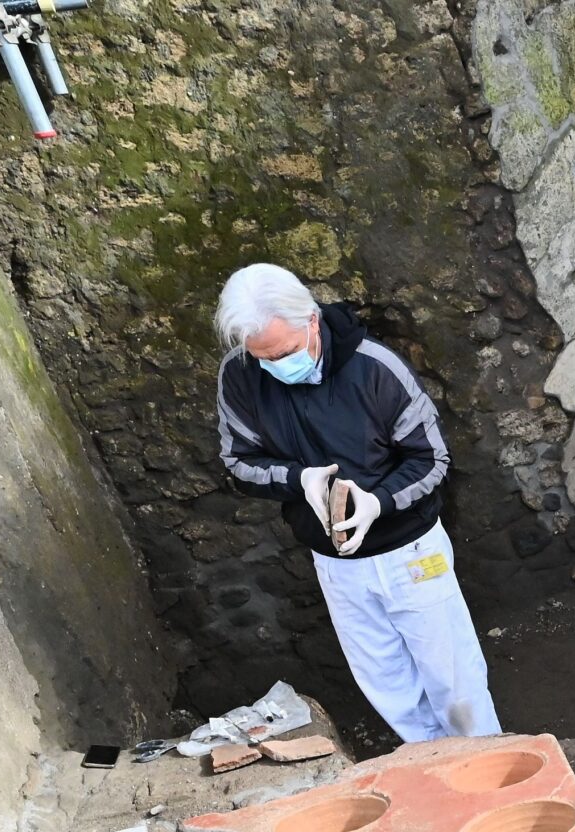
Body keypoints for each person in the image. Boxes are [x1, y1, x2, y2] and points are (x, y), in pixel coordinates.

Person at [212, 263, 501, 745]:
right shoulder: (240, 374)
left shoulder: (374, 368)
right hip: (335, 560)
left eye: (283, 353)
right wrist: (296, 478)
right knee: (388, 685)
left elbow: (432, 458)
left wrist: (379, 503)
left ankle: (490, 766)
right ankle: (432, 769)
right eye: (261, 357)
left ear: (311, 320)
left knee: (455, 681)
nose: (274, 367)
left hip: (411, 551)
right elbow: (238, 460)